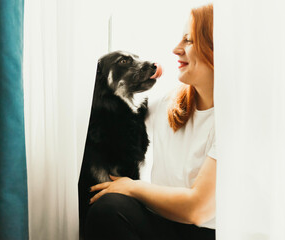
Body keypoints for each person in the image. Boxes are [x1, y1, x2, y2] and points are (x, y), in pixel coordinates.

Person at [85, 3, 216, 240]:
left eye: (189, 40)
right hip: (164, 224)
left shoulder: (237, 122)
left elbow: (198, 210)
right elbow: (114, 119)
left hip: (209, 233)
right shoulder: (168, 104)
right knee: (108, 208)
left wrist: (132, 187)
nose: (176, 49)